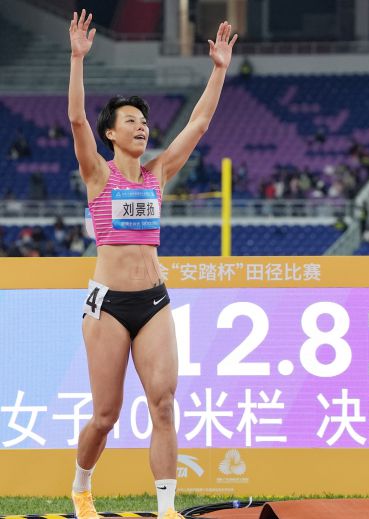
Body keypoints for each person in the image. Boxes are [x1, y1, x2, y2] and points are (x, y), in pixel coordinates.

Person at [68, 10, 237, 519]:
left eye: (144, 122)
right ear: (111, 133)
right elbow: (76, 120)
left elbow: (199, 123)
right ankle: (81, 487)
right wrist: (77, 59)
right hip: (108, 307)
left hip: (154, 302)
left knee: (164, 404)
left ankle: (166, 510)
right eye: (131, 122)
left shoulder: (157, 173)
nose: (141, 127)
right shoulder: (98, 175)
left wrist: (218, 70)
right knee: (105, 415)